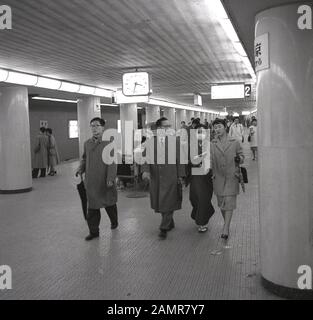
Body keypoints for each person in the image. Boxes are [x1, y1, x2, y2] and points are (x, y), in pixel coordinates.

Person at [142, 117, 186, 240]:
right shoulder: (150, 142)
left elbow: (180, 160)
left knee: (168, 200)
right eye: (166, 126)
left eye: (169, 126)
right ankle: (169, 221)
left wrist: (181, 176)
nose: (169, 128)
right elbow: (145, 158)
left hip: (171, 176)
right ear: (159, 128)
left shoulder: (175, 141)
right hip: (156, 177)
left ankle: (164, 227)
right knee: (160, 203)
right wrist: (145, 171)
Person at [76, 118, 118, 241]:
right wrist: (80, 169)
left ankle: (114, 221)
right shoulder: (87, 143)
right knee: (92, 207)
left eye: (97, 125)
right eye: (92, 126)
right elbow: (85, 159)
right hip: (91, 181)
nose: (94, 128)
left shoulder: (109, 143)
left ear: (103, 127)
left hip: (105, 181)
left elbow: (112, 163)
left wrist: (110, 178)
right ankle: (94, 231)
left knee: (109, 204)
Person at [211, 119, 244, 240]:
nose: (217, 129)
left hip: (231, 176)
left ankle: (225, 228)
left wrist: (239, 159)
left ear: (225, 127)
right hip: (218, 177)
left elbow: (242, 156)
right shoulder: (212, 143)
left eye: (219, 127)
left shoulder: (234, 142)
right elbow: (209, 159)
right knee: (222, 204)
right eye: (215, 128)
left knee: (229, 202)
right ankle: (227, 223)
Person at [187, 124, 215, 233]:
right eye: (198, 132)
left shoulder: (211, 145)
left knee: (204, 198)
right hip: (196, 174)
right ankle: (199, 213)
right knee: (194, 198)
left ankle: (202, 222)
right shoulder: (191, 146)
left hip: (208, 175)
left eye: (203, 132)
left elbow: (216, 159)